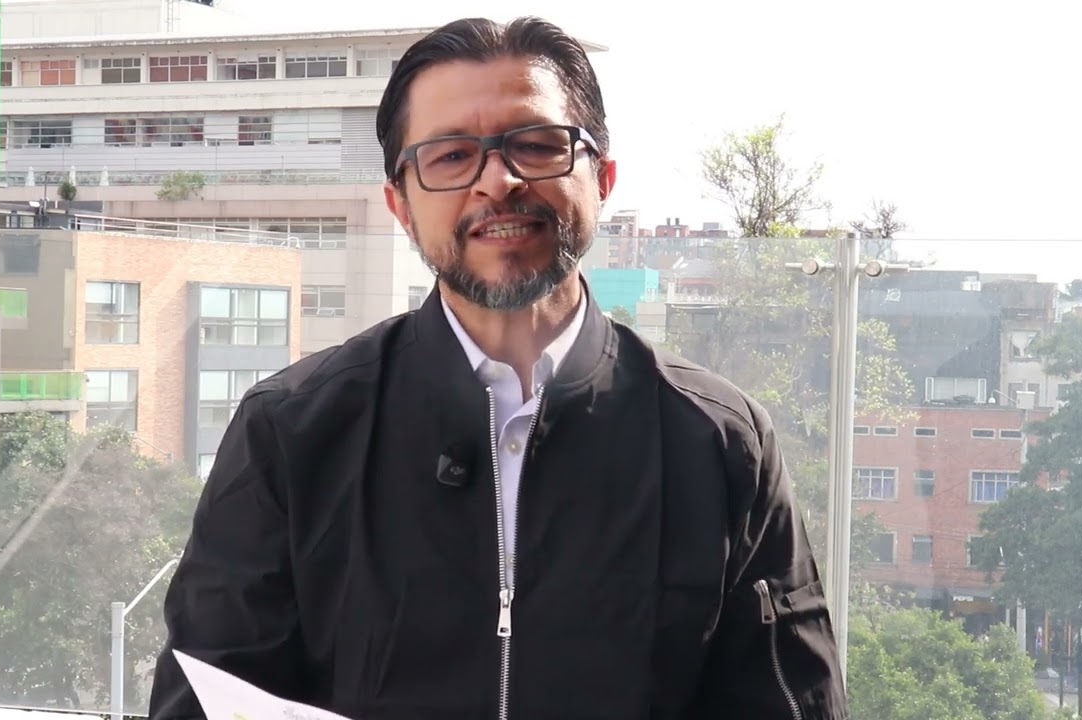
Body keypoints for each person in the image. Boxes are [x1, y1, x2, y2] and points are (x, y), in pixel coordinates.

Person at [148, 15, 846, 720]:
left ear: (603, 178)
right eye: (451, 156)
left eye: (536, 145)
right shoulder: (292, 432)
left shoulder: (717, 442)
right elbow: (206, 695)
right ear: (400, 205)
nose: (499, 181)